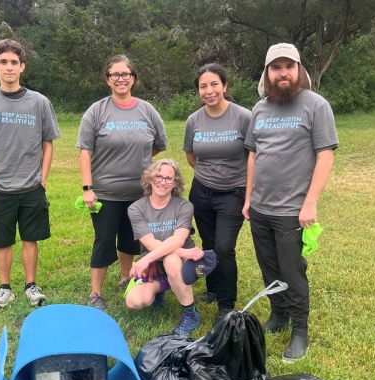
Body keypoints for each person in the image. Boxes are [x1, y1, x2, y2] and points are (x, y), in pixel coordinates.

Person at [243, 43, 339, 362]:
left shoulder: (316, 105)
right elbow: (254, 156)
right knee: (269, 267)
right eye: (276, 67)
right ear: (267, 74)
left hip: (292, 212)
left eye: (289, 66)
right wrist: (248, 200)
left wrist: (310, 204)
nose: (283, 73)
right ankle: (279, 315)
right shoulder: (260, 109)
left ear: (299, 70)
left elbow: (325, 156)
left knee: (292, 271)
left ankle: (300, 331)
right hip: (260, 209)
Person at [0, 39, 61, 309]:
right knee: (2, 241)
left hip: (31, 187)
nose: (9, 67)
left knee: (31, 238)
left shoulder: (39, 102)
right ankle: (4, 288)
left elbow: (48, 144)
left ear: (22, 67)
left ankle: (31, 286)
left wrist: (42, 180)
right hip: (0, 189)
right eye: (4, 62)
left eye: (14, 62)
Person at [77, 55, 167, 312]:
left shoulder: (147, 110)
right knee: (104, 241)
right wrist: (87, 188)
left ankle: (126, 277)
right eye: (115, 74)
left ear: (133, 78)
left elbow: (159, 145)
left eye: (126, 74)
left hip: (140, 194)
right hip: (104, 193)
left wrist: (138, 160)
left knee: (131, 239)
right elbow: (85, 151)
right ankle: (96, 294)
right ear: (107, 79)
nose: (121, 79)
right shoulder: (97, 111)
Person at [183, 63, 251, 323]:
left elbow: (253, 155)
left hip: (233, 193)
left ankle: (226, 304)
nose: (209, 90)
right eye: (203, 86)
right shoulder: (194, 120)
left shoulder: (244, 117)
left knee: (224, 247)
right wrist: (207, 175)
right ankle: (211, 290)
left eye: (214, 84)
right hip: (201, 192)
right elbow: (191, 155)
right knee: (209, 244)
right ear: (198, 91)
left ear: (225, 86)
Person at [126, 159, 204, 335]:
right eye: (159, 176)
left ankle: (190, 314)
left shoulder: (185, 206)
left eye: (169, 178)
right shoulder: (136, 208)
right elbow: (150, 243)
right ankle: (164, 286)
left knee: (171, 259)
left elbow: (178, 239)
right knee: (135, 301)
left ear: (175, 183)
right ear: (150, 179)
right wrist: (183, 250)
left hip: (183, 262)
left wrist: (145, 259)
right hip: (155, 264)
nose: (163, 181)